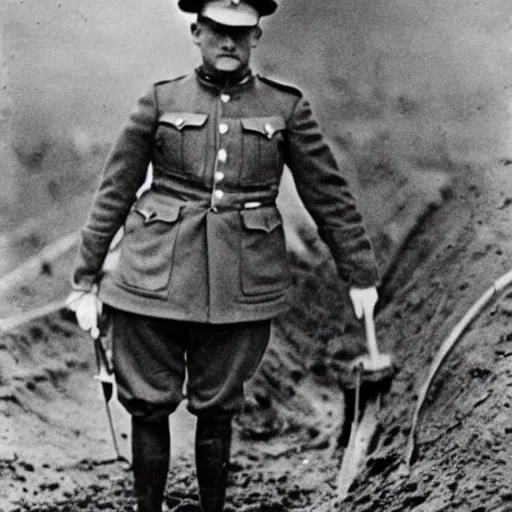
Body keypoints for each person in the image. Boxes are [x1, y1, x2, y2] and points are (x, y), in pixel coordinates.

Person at [67, 0, 380, 510]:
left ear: (257, 37)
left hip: (242, 281)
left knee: (218, 408)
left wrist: (359, 273)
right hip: (153, 277)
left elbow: (329, 196)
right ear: (196, 32)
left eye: (240, 32)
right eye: (217, 31)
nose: (228, 42)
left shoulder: (286, 108)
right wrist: (85, 278)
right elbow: (114, 191)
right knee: (148, 406)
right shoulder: (160, 100)